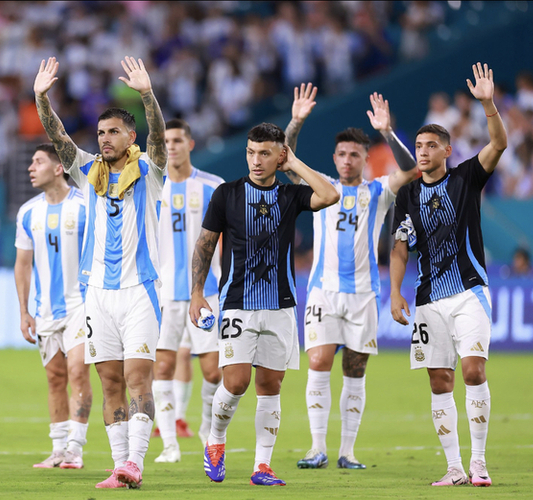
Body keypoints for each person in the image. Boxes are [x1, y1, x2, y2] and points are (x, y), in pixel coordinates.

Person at [34, 56, 167, 489]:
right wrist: (41, 98)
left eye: (113, 132)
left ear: (130, 136)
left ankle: (138, 462)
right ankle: (119, 466)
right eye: (100, 133)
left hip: (139, 290)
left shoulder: (149, 170)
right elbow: (57, 135)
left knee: (136, 378)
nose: (104, 139)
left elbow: (161, 140)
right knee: (109, 381)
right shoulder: (87, 169)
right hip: (96, 295)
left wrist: (147, 95)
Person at [189, 123, 340, 486]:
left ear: (279, 156)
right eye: (251, 153)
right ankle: (216, 440)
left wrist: (296, 165)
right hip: (237, 302)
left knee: (270, 385)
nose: (256, 161)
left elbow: (330, 195)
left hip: (281, 304)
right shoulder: (227, 194)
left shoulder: (290, 195)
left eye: (265, 154)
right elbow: (205, 245)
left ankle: (262, 465)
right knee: (237, 381)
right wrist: (196, 293)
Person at [282, 84, 419, 470]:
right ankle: (317, 447)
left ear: (364, 158)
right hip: (324, 292)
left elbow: (410, 170)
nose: (347, 160)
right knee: (319, 362)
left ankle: (348, 452)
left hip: (363, 294)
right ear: (334, 157)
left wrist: (388, 133)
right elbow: (286, 157)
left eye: (354, 154)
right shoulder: (323, 188)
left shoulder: (379, 190)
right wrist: (295, 121)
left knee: (355, 370)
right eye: (341, 154)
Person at [390, 62, 506, 487]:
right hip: (426, 299)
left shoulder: (467, 177)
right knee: (440, 381)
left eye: (429, 145)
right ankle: (454, 468)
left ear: (446, 150)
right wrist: (395, 291)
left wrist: (488, 104)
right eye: (418, 144)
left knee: (474, 370)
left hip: (469, 291)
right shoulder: (408, 195)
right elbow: (400, 245)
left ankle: (479, 463)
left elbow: (499, 144)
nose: (421, 151)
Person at [14, 144, 92, 469]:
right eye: (31, 161)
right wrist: (23, 311)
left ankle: (76, 447)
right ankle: (59, 448)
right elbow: (22, 264)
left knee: (77, 371)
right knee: (55, 377)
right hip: (46, 310)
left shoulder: (86, 206)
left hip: (82, 306)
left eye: (38, 161)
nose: (31, 167)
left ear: (59, 168)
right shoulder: (28, 212)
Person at [152, 119, 224, 463]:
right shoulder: (153, 188)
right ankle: (169, 445)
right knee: (162, 366)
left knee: (213, 371)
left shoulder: (213, 187)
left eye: (178, 140)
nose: (172, 147)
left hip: (206, 293)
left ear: (190, 144)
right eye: (166, 141)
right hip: (164, 294)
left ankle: (209, 433)